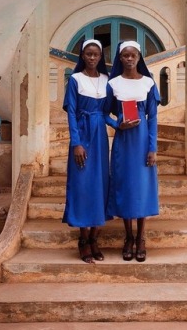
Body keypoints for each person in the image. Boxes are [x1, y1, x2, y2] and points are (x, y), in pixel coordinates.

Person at [106, 41, 160, 262]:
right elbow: (102, 114)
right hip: (123, 143)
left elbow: (153, 118)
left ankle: (141, 238)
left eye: (133, 55)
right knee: (125, 188)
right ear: (120, 58)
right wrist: (117, 124)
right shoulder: (113, 84)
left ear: (139, 57)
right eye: (125, 55)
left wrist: (152, 148)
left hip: (142, 144)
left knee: (142, 189)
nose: (129, 59)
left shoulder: (148, 83)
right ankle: (128, 237)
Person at [62, 39, 109, 263]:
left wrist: (122, 125)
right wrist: (76, 143)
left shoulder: (106, 80)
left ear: (101, 57)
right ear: (82, 56)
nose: (92, 58)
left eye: (96, 55)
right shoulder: (75, 79)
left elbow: (109, 112)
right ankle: (83, 240)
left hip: (100, 137)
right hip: (82, 134)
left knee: (100, 185)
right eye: (88, 54)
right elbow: (71, 112)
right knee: (82, 186)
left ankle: (94, 239)